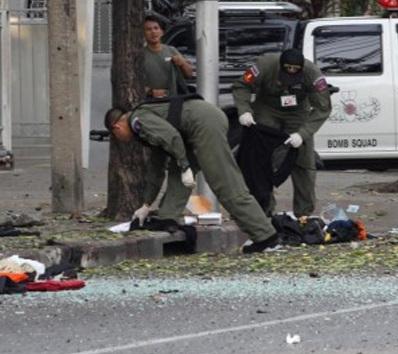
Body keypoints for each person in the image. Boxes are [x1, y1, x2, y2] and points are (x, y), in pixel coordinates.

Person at [104, 96, 281, 253]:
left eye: (115, 136)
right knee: (176, 175)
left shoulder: (138, 120)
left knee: (225, 185)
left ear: (117, 127)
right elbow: (156, 168)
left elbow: (172, 137)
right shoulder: (143, 126)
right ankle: (168, 218)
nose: (120, 140)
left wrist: (184, 165)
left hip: (204, 125)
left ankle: (266, 237)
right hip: (195, 128)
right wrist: (146, 205)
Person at [232, 49, 332, 217]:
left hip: (298, 111)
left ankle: (304, 212)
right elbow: (242, 85)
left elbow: (323, 107)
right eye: (286, 75)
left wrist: (303, 133)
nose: (289, 78)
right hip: (267, 108)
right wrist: (244, 110)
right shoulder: (265, 65)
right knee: (261, 158)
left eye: (294, 75)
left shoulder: (312, 73)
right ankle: (263, 208)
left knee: (303, 160)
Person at [143, 15, 193, 98]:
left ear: (161, 32)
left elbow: (189, 74)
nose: (153, 32)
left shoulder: (171, 50)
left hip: (172, 99)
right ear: (143, 34)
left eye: (156, 28)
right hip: (150, 101)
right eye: (149, 29)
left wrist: (182, 64)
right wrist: (150, 92)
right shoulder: (141, 54)